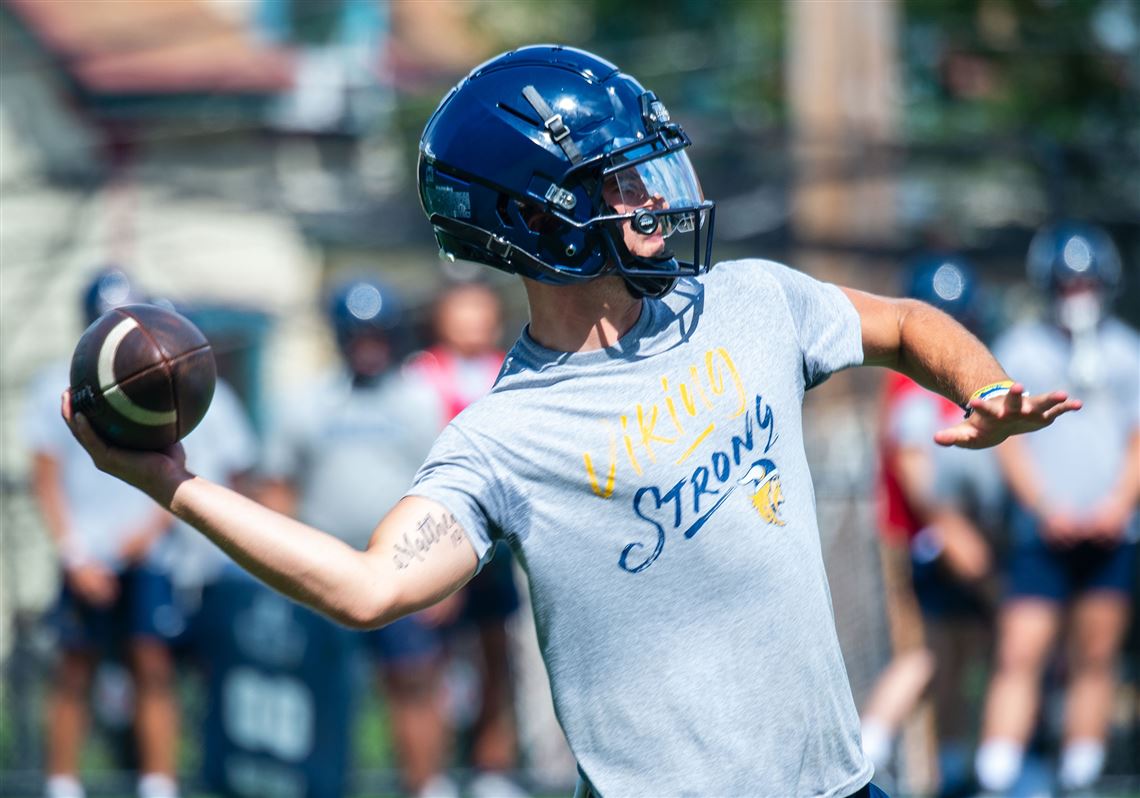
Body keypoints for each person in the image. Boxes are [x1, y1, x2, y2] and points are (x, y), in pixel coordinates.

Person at [63, 46, 1081, 797]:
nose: (654, 195)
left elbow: (901, 325)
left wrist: (983, 391)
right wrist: (171, 484)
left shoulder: (747, 301)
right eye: (620, 180)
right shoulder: (503, 436)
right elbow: (367, 587)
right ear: (535, 217)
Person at [258, 278, 457, 797]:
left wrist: (448, 578)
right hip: (323, 572)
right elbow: (278, 489)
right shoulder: (306, 401)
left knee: (413, 682)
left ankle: (426, 787)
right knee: (319, 694)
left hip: (404, 568)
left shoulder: (418, 398)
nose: (367, 345)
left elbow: (449, 490)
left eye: (376, 334)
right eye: (356, 334)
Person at [973, 222, 1139, 795]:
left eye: (1086, 283)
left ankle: (1080, 775)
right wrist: (1045, 509)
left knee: (1096, 655)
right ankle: (996, 777)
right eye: (1067, 285)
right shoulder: (1021, 349)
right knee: (1021, 652)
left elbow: (1137, 438)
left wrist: (1117, 506)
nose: (1077, 294)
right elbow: (1008, 442)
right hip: (1042, 532)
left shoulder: (1126, 349)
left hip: (1111, 531)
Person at [29, 270, 182, 798]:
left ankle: (158, 782)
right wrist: (76, 555)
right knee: (74, 669)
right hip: (88, 553)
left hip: (144, 550)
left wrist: (146, 533)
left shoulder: (157, 379)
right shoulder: (53, 381)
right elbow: (46, 478)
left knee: (153, 666)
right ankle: (63, 783)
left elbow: (182, 468)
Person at [861, 257, 1002, 796]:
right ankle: (867, 750)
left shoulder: (951, 384)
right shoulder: (911, 390)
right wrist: (953, 531)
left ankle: (946, 769)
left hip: (951, 536)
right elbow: (916, 468)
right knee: (921, 655)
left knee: (956, 656)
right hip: (918, 539)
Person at [409, 282, 529, 798]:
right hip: (443, 532)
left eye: (481, 312)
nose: (472, 322)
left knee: (496, 656)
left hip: (499, 543)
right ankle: (431, 777)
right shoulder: (419, 378)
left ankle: (492, 771)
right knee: (430, 662)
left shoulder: (515, 369)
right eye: (461, 311)